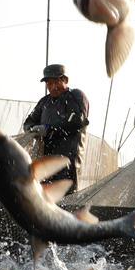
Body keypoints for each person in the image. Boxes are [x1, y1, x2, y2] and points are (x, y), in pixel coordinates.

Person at [23, 64, 90, 194]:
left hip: (68, 162)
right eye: (49, 83)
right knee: (43, 199)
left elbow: (77, 121)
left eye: (56, 82)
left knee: (66, 199)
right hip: (45, 161)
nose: (53, 87)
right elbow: (28, 122)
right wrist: (32, 129)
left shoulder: (75, 96)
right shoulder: (44, 102)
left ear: (65, 80)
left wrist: (49, 128)